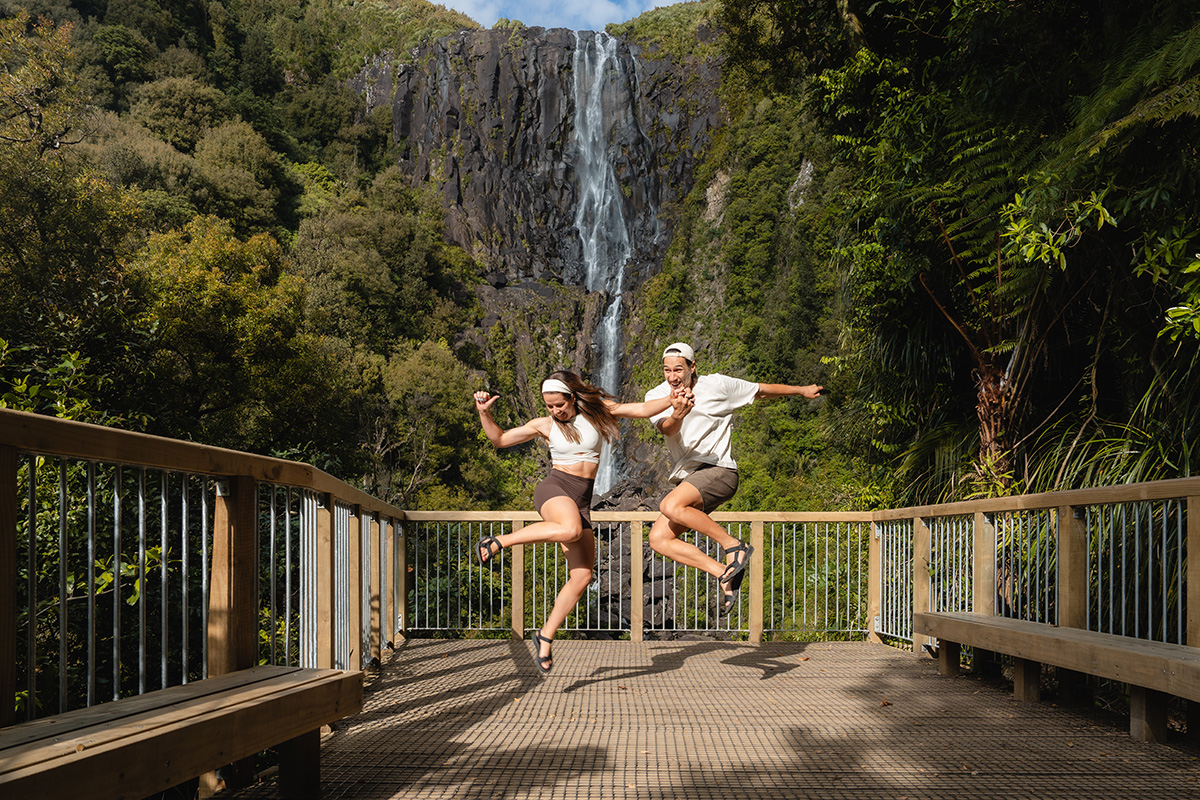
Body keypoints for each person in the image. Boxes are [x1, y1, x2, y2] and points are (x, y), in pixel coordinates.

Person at [473, 370, 676, 674]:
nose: (555, 411)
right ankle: (498, 540)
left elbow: (643, 409)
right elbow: (500, 439)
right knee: (568, 529)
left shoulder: (597, 411)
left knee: (582, 577)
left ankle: (545, 635)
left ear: (572, 396)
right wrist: (483, 412)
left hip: (582, 501)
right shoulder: (545, 425)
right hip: (555, 490)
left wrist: (672, 399)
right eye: (549, 406)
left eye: (559, 405)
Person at [645, 342, 823, 611]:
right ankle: (724, 573)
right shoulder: (657, 395)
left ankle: (734, 545)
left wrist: (801, 390)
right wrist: (678, 413)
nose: (672, 376)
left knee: (670, 505)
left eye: (679, 369)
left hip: (719, 471)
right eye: (667, 370)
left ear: (692, 368)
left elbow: (760, 390)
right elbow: (667, 429)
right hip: (691, 479)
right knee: (659, 539)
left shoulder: (717, 385)